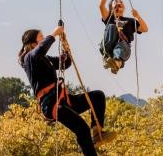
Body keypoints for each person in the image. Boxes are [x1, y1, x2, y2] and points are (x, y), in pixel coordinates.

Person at [18, 26, 116, 155]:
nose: (43, 40)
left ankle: (96, 131)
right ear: (32, 43)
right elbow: (40, 50)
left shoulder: (44, 59)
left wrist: (65, 48)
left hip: (62, 100)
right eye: (41, 38)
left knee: (97, 96)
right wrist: (54, 33)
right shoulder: (29, 58)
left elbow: (65, 63)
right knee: (81, 129)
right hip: (52, 103)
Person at [99, 0, 149, 74]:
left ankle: (116, 63)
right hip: (108, 45)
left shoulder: (130, 21)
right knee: (112, 26)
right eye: (116, 3)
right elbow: (101, 5)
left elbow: (145, 29)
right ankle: (108, 58)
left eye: (121, 2)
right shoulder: (109, 18)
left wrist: (137, 16)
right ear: (111, 8)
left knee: (122, 44)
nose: (119, 3)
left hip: (122, 48)